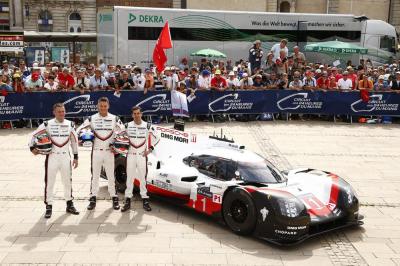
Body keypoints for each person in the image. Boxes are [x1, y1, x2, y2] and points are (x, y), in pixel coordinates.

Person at [29, 102, 79, 218]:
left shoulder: (70, 124)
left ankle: (69, 204)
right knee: (49, 182)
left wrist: (76, 157)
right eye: (59, 112)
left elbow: (74, 141)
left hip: (66, 156)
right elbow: (34, 135)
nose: (62, 113)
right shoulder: (47, 124)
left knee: (67, 181)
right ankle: (49, 206)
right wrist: (32, 148)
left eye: (63, 111)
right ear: (54, 112)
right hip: (52, 156)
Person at [77, 97, 125, 210]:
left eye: (105, 106)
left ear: (108, 106)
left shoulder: (115, 118)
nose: (103, 108)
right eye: (101, 106)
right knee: (95, 176)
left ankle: (114, 197)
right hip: (96, 151)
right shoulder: (91, 118)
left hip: (110, 152)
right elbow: (79, 130)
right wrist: (80, 139)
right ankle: (93, 198)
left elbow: (123, 132)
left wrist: (118, 144)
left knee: (111, 176)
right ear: (97, 106)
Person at [121, 106, 160, 212]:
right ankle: (127, 200)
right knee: (129, 178)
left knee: (143, 178)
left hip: (142, 155)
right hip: (131, 155)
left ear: (141, 114)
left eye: (138, 113)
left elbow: (158, 137)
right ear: (132, 115)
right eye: (135, 113)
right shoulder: (127, 125)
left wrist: (150, 149)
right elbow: (118, 136)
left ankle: (145, 200)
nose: (137, 115)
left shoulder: (147, 125)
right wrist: (118, 146)